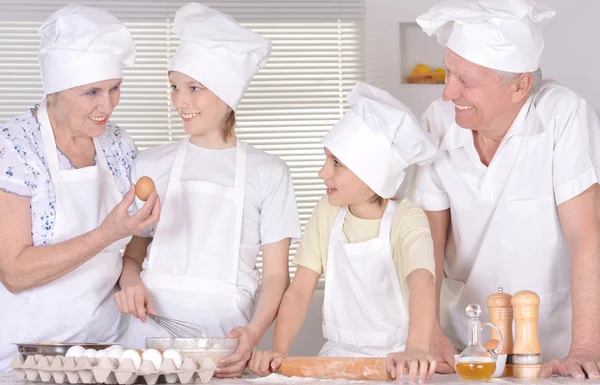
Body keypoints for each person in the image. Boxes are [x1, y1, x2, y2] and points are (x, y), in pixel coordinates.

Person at [411, 0, 600, 379]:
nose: (448, 93)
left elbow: (586, 236)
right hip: (465, 342)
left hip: (556, 345)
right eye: (448, 73)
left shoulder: (562, 116)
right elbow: (426, 241)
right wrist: (426, 330)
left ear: (520, 86)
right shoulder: (437, 121)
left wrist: (586, 348)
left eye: (466, 80)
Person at [115, 2, 301, 379]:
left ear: (227, 93)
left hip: (223, 348)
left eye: (194, 88)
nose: (180, 101)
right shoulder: (152, 165)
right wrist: (131, 281)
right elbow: (133, 255)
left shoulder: (269, 172)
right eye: (174, 87)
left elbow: (277, 276)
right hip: (145, 343)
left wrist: (253, 333)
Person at [0, 4, 160, 371]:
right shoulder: (14, 147)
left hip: (105, 347)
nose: (107, 106)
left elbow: (137, 231)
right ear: (54, 91)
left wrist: (131, 272)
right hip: (29, 353)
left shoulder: (118, 144)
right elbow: (15, 272)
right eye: (92, 93)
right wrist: (106, 234)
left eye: (115, 88)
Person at [249, 82, 439, 384]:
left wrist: (416, 348)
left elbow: (422, 282)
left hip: (397, 363)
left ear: (372, 174)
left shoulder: (407, 218)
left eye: (336, 163)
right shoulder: (327, 211)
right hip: (336, 363)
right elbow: (299, 291)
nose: (323, 173)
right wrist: (278, 352)